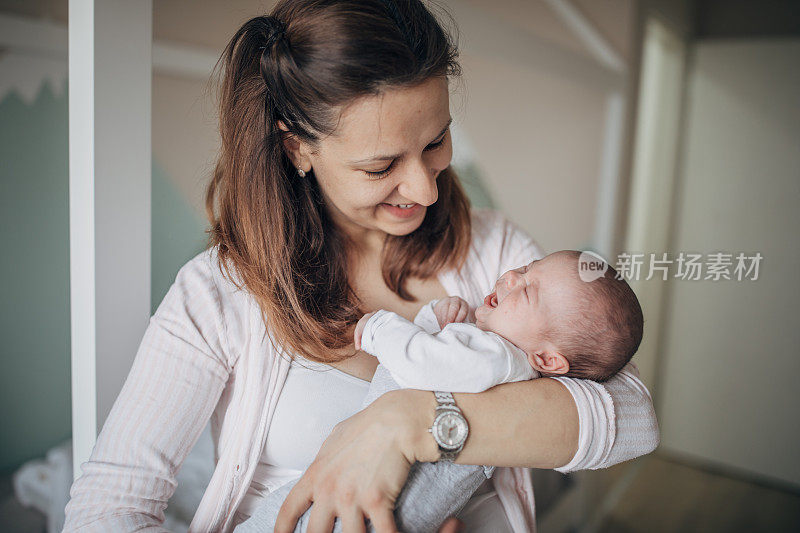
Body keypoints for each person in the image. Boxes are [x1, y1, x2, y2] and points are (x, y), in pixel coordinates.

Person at [63, 1, 660, 532]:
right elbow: (107, 507)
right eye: (381, 167)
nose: (425, 190)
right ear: (297, 146)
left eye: (436, 142)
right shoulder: (218, 294)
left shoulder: (493, 251)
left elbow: (631, 415)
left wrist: (406, 423)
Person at [357, 250, 644, 391]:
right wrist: (436, 318)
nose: (511, 276)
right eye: (527, 268)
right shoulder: (500, 357)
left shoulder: (498, 356)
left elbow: (420, 363)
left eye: (528, 291)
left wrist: (378, 328)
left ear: (546, 359)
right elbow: (438, 366)